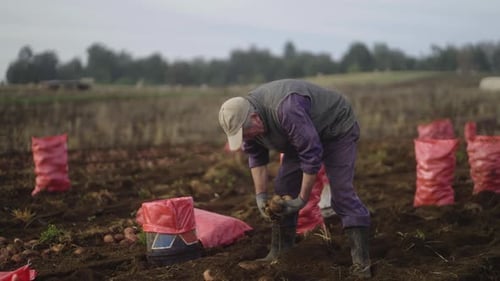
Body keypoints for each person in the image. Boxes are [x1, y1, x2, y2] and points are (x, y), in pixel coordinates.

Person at [218, 79, 372, 278]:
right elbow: (256, 157)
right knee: (283, 187)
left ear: (256, 118)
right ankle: (280, 252)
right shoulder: (248, 122)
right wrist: (261, 196)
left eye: (245, 133)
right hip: (300, 137)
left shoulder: (286, 109)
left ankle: (361, 264)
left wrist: (301, 199)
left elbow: (311, 154)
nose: (246, 137)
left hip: (335, 129)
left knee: (342, 194)